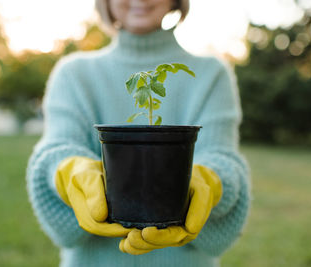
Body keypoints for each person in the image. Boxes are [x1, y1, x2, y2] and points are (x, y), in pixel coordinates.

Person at [26, 0, 251, 266]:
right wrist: (67, 172)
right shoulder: (73, 73)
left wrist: (214, 182)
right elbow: (57, 148)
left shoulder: (212, 74)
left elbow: (221, 156)